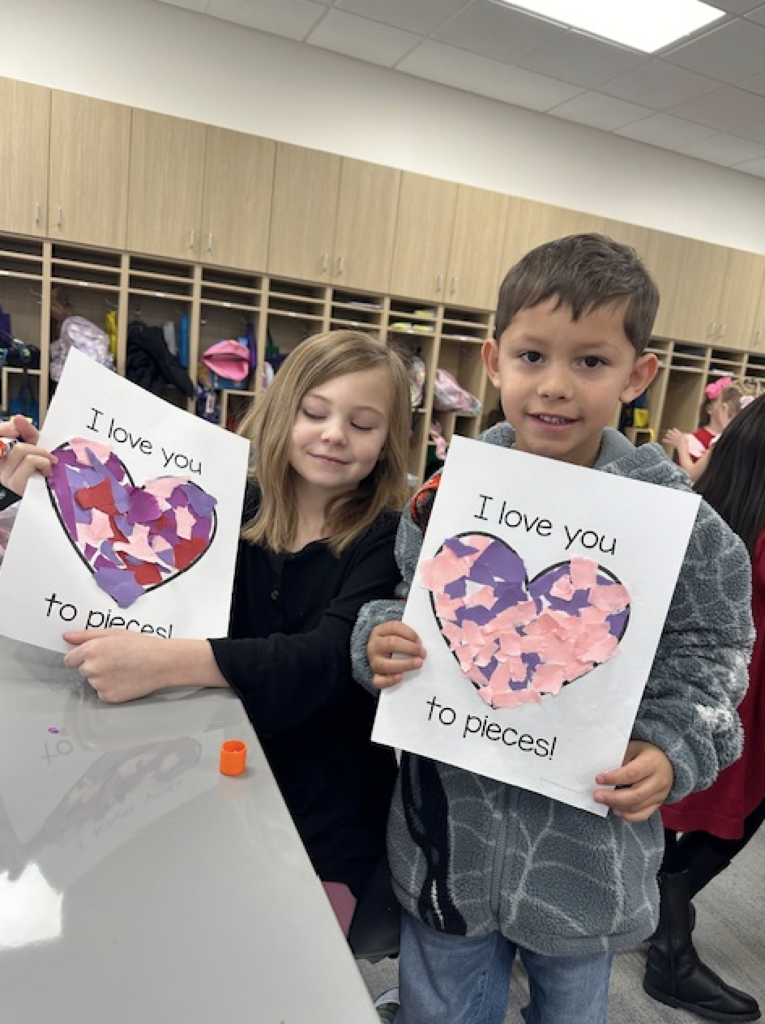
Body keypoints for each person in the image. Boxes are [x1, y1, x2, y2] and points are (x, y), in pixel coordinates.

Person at [350, 234, 754, 1024]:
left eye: (591, 362)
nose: (555, 387)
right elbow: (406, 597)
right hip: (448, 841)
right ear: (493, 360)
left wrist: (672, 748)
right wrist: (381, 637)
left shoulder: (682, 526)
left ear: (638, 374)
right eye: (532, 356)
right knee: (443, 1009)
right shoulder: (445, 496)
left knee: (569, 1011)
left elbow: (714, 655)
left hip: (585, 856)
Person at [0, 328, 412, 920]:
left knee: (290, 964)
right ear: (280, 411)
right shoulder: (224, 502)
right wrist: (36, 483)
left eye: (362, 424)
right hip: (191, 781)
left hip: (326, 819)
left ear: (389, 441)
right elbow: (82, 559)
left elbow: (326, 657)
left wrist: (166, 661)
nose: (334, 434)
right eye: (314, 411)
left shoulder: (385, 538)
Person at [644, 393, 765, 1023]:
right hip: (743, 689)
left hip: (709, 684)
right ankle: (669, 944)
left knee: (673, 808)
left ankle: (659, 915)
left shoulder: (713, 501)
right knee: (726, 815)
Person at [663, 376, 764, 483]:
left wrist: (681, 446)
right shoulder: (759, 442)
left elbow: (691, 475)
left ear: (725, 409)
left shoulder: (722, 442)